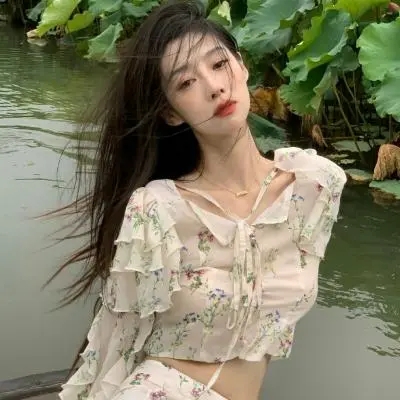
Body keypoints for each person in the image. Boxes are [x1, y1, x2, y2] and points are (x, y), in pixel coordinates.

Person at [53, 1, 347, 399]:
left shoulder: (315, 185)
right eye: (186, 83)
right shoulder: (156, 209)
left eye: (219, 64)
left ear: (242, 65)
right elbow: (118, 337)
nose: (214, 87)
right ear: (171, 113)